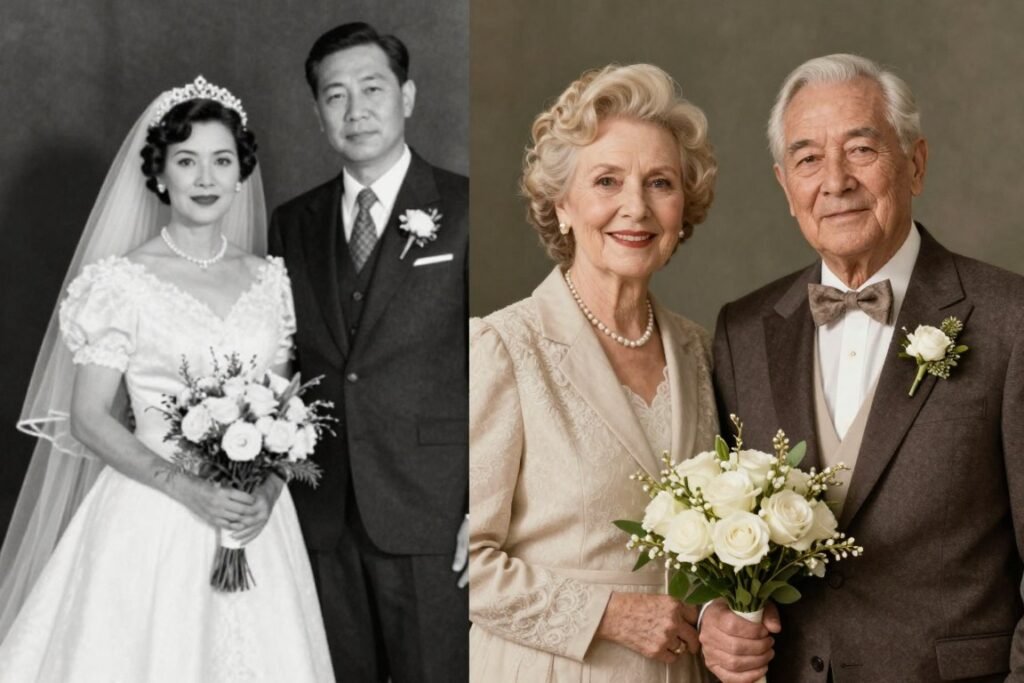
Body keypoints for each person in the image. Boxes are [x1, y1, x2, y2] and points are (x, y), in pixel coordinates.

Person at [0, 76, 334, 682]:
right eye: (187, 161)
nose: (205, 179)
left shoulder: (271, 281)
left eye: (221, 161)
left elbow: (287, 411)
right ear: (159, 175)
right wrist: (188, 489)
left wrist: (264, 495)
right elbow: (90, 418)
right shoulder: (120, 282)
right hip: (152, 514)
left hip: (253, 523)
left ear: (240, 175)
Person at [703, 53, 1024, 682]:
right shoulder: (742, 331)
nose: (835, 181)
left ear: (916, 164)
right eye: (808, 159)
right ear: (785, 186)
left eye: (860, 150)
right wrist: (718, 612)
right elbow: (725, 542)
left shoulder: (1011, 320)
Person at [469, 63, 719, 682]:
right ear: (562, 205)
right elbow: (464, 563)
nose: (635, 207)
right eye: (606, 180)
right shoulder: (504, 346)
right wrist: (609, 614)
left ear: (683, 208)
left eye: (659, 182)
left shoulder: (702, 351)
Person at [268, 22, 468, 682]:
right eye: (335, 95)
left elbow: (505, 370)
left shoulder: (467, 208)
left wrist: (486, 508)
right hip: (320, 515)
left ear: (407, 97)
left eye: (372, 88)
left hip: (435, 514)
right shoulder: (292, 222)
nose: (356, 111)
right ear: (319, 112)